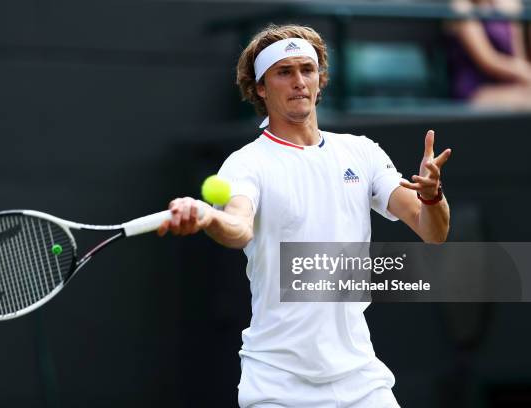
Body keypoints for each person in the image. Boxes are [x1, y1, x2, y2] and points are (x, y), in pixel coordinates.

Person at [158, 24, 451, 407]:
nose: (299, 81)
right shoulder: (246, 164)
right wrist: (208, 218)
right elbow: (239, 228)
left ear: (319, 79)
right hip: (278, 385)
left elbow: (433, 232)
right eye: (284, 72)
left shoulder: (361, 152)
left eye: (306, 70)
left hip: (360, 379)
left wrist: (433, 197)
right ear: (261, 88)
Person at [446, 0, 531, 110]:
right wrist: (526, 73)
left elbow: (518, 57)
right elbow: (488, 61)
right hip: (474, 91)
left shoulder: (508, 5)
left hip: (509, 85)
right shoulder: (461, 6)